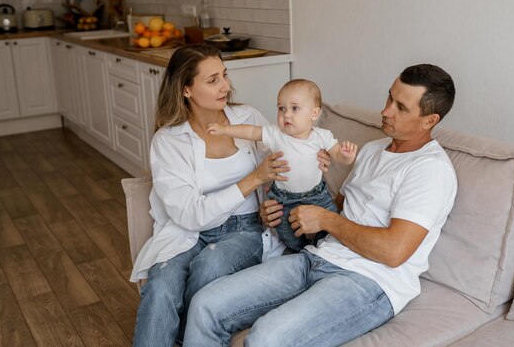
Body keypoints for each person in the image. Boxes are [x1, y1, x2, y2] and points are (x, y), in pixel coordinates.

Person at [183, 63, 458, 347]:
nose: (386, 110)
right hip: (318, 257)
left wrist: (325, 220)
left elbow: (393, 252)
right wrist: (288, 204)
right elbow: (338, 208)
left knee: (267, 337)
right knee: (206, 304)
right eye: (389, 97)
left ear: (429, 120)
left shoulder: (430, 170)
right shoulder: (375, 149)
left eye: (401, 107)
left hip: (368, 282)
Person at [129, 44, 330, 347]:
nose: (225, 86)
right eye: (212, 81)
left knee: (210, 267)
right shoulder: (168, 140)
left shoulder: (246, 116)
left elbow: (290, 148)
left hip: (244, 230)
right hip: (185, 232)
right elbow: (189, 215)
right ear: (186, 89)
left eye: (224, 75)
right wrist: (253, 179)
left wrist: (318, 157)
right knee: (160, 288)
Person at [206, 78, 357, 251]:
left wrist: (347, 156)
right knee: (285, 231)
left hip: (318, 195)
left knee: (334, 225)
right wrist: (224, 130)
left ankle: (321, 248)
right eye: (281, 108)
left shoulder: (322, 136)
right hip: (284, 199)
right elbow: (250, 131)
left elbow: (338, 154)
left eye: (295, 108)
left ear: (314, 114)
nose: (286, 114)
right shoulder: (275, 133)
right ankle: (300, 251)